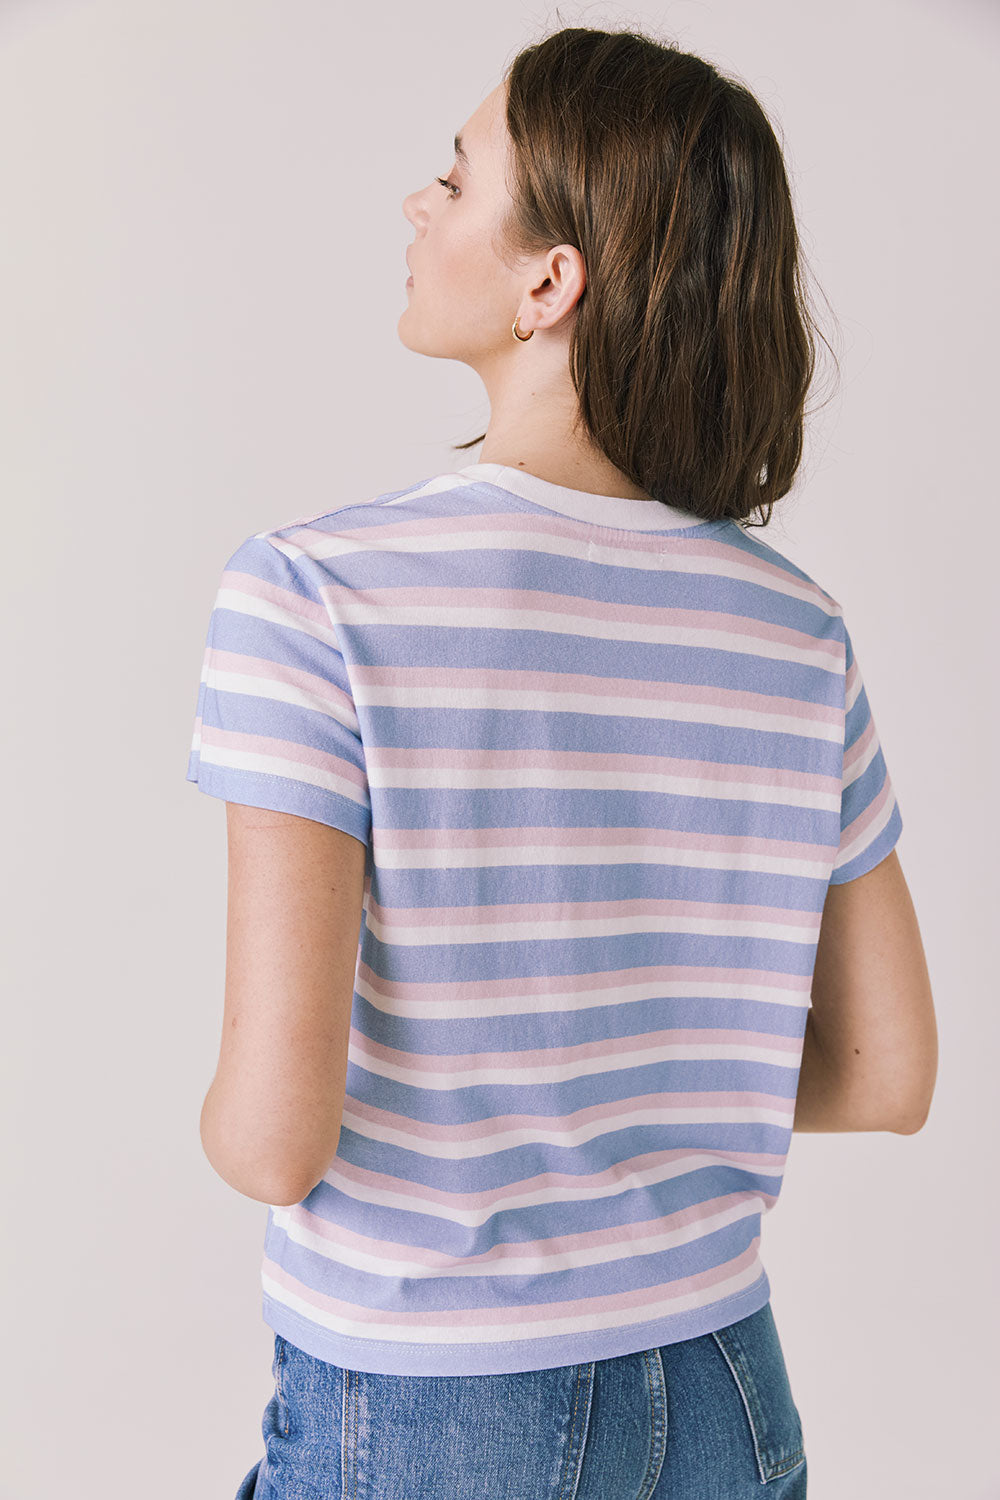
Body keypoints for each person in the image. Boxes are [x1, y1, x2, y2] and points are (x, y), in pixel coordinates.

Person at [185, 24, 937, 1499]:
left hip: (427, 1403)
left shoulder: (317, 595)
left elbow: (274, 1140)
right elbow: (889, 1068)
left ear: (551, 281)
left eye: (456, 182)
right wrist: (633, 1088)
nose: (418, 206)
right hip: (724, 1382)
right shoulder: (797, 631)